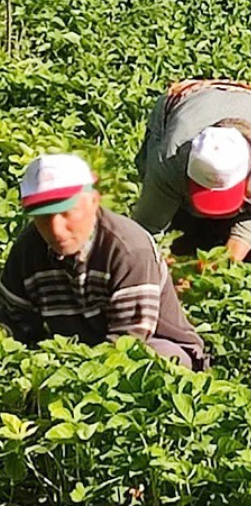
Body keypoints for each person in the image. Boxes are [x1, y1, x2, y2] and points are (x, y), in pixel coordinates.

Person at [0, 154, 207, 369]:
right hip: (80, 354)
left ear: (93, 200)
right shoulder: (27, 250)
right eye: (43, 217)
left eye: (66, 212)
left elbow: (128, 340)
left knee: (152, 362)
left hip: (154, 345)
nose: (56, 230)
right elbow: (12, 321)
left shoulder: (128, 249)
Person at [133, 80, 251, 262]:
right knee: (174, 226)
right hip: (186, 100)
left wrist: (225, 263)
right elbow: (146, 229)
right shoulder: (170, 158)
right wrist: (171, 269)